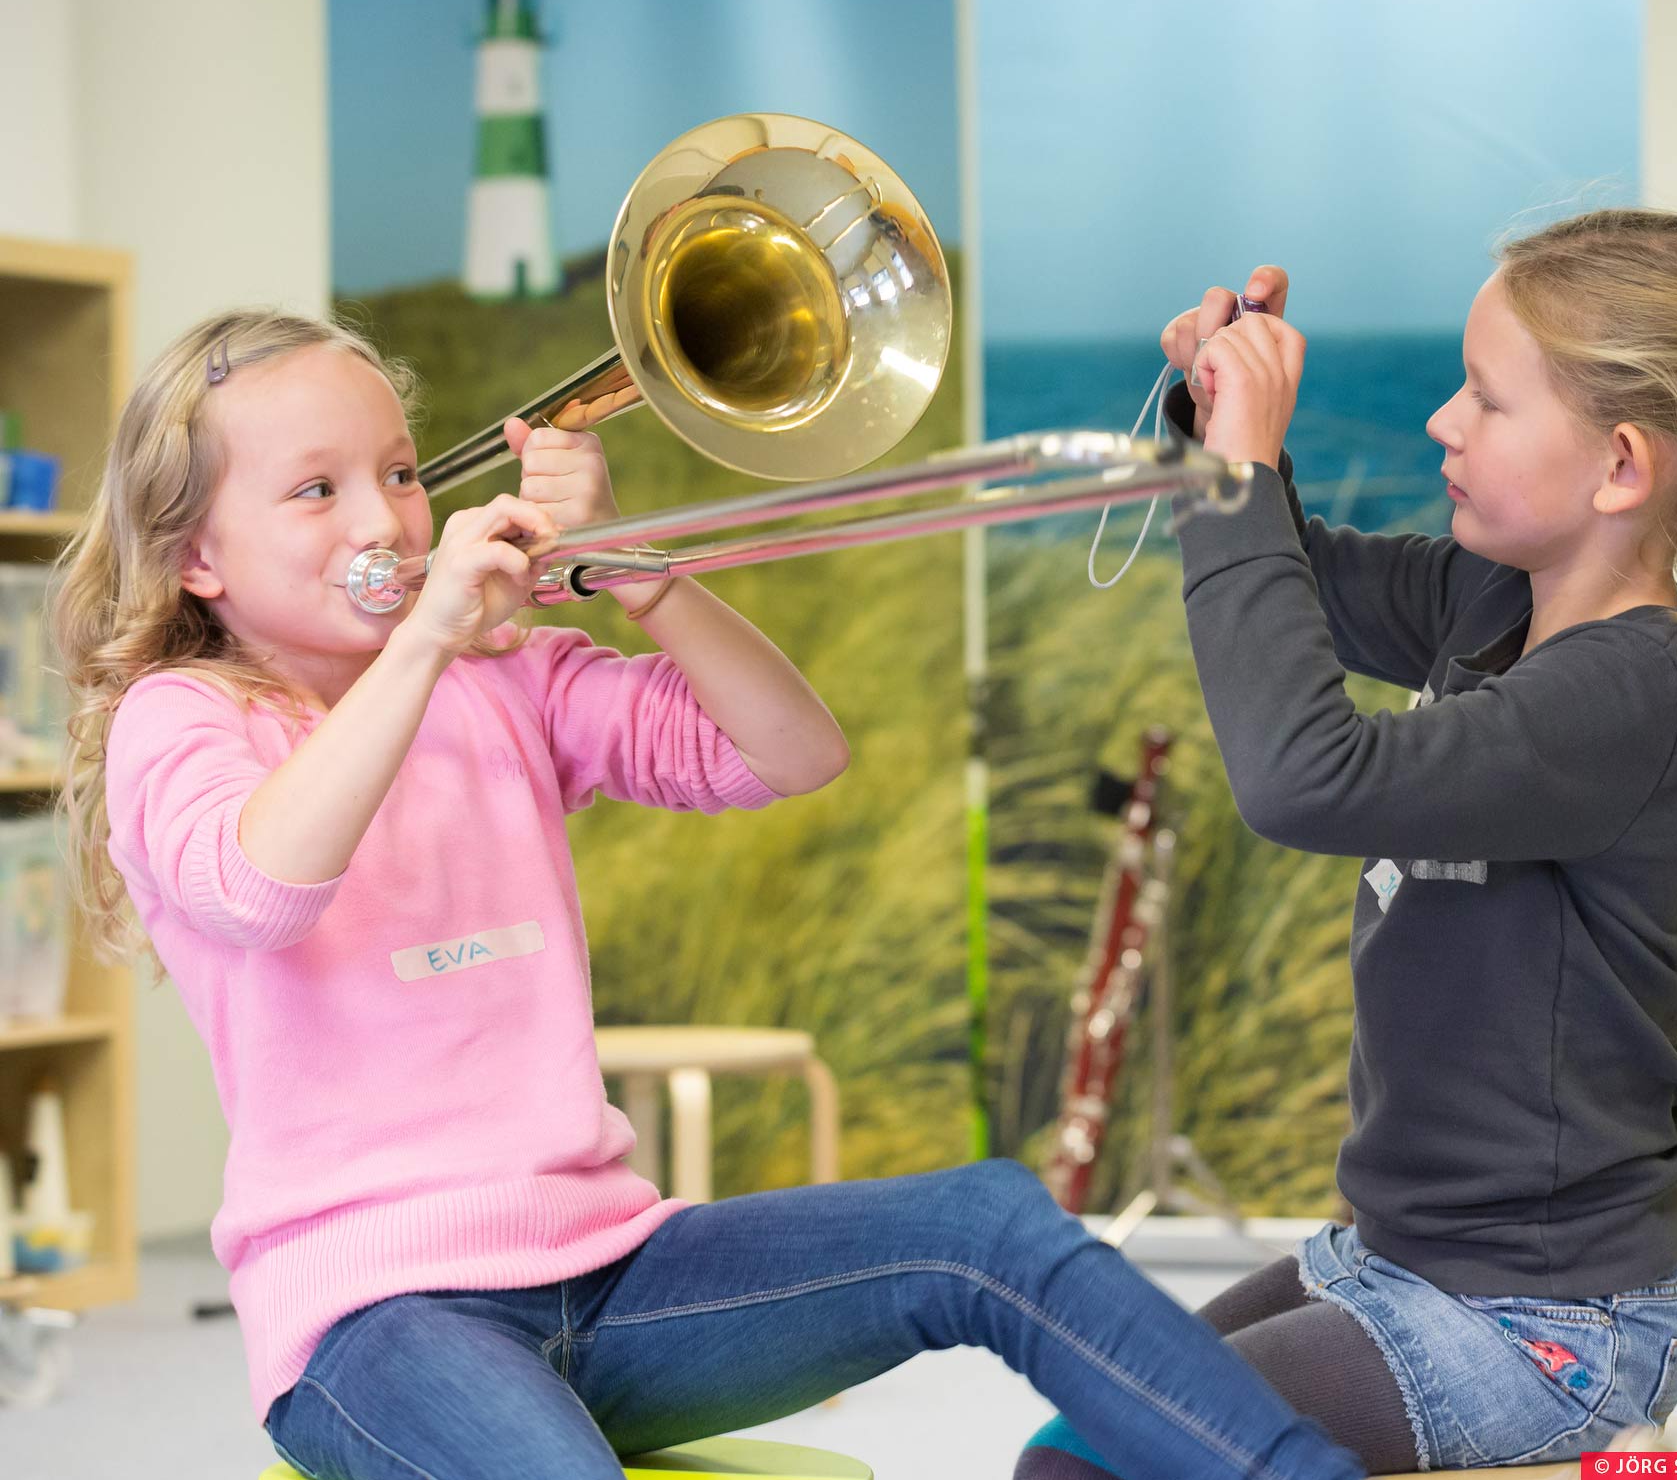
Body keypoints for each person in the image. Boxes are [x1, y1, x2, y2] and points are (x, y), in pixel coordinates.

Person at [50, 308, 1364, 1480]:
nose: (383, 520)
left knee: (988, 1224)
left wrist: (642, 570)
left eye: (398, 472)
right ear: (199, 561)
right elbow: (261, 884)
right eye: (315, 491)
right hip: (375, 1319)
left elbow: (792, 752)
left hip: (611, 1266)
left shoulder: (503, 681)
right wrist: (436, 633)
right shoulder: (182, 721)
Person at [1019, 209, 1677, 1477]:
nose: (1443, 420)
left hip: (1540, 1325)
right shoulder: (1493, 598)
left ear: (1620, 468)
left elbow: (1307, 780)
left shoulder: (1637, 691)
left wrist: (1235, 473)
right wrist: (1217, 432)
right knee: (1075, 1430)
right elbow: (1291, 577)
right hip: (1402, 1261)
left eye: (1486, 400)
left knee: (1083, 1469)